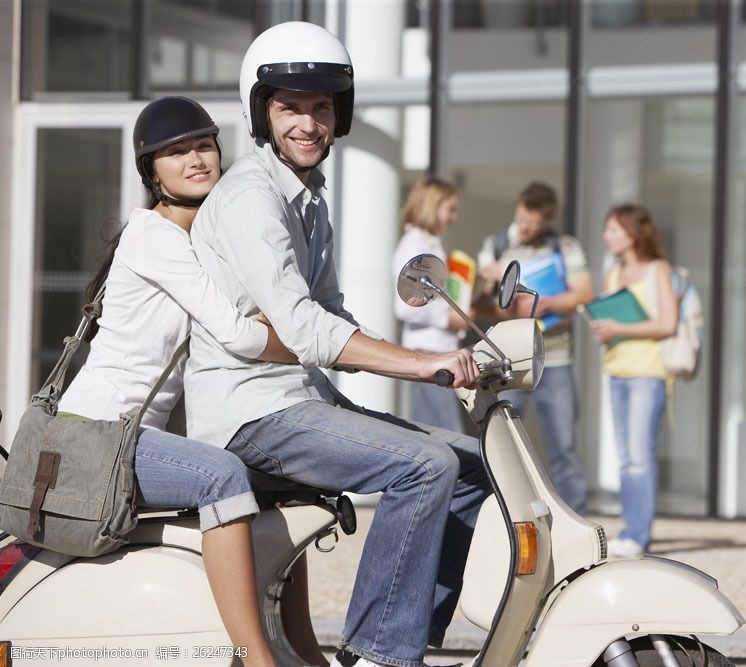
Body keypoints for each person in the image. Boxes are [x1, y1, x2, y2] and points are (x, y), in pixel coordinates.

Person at [183, 22, 491, 667]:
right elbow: (304, 326)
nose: (309, 123)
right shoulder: (250, 199)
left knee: (471, 462)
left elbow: (331, 313)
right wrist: (423, 363)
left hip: (300, 400)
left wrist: (460, 354)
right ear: (262, 112)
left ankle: (412, 633)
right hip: (252, 412)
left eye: (322, 107)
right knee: (424, 465)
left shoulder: (309, 200)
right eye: (290, 106)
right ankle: (379, 654)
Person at [58, 97, 295, 667]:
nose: (195, 159)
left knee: (279, 483)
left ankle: (300, 653)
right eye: (175, 151)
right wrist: (311, 343)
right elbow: (239, 335)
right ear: (151, 173)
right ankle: (255, 658)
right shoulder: (155, 237)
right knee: (222, 476)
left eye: (204, 145)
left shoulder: (198, 241)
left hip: (129, 435)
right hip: (98, 432)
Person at [476, 181, 592, 515]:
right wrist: (493, 290)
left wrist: (545, 303)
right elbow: (480, 306)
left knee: (564, 446)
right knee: (501, 443)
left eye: (532, 225)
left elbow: (583, 294)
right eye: (521, 220)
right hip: (510, 362)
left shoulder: (564, 246)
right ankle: (499, 516)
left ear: (547, 219)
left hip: (555, 358)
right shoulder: (496, 245)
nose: (524, 229)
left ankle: (575, 519)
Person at [587, 204, 678, 559]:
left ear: (632, 232)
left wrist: (621, 327)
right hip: (617, 370)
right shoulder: (613, 275)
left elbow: (667, 324)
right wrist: (606, 332)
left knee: (640, 457)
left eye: (612, 229)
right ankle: (630, 530)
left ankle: (638, 535)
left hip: (647, 373)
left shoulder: (658, 270)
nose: (606, 236)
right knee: (626, 458)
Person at [391, 176, 469, 433]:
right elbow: (405, 305)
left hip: (439, 352)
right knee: (447, 436)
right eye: (450, 209)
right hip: (428, 355)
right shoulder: (414, 246)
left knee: (445, 435)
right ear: (432, 206)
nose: (454, 216)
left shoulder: (430, 244)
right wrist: (448, 318)